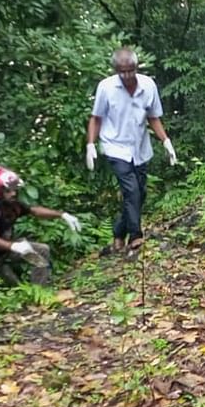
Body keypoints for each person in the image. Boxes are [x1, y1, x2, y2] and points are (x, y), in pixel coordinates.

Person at [84, 48, 177, 255]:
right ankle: (135, 235)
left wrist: (166, 141)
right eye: (122, 72)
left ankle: (118, 234)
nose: (127, 75)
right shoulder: (106, 88)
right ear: (116, 70)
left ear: (136, 67)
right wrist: (90, 144)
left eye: (130, 71)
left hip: (140, 147)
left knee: (140, 193)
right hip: (114, 146)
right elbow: (96, 117)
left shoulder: (148, 85)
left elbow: (153, 117)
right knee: (131, 191)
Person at [0, 166, 82, 291]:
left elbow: (34, 211)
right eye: (8, 191)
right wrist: (14, 246)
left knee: (41, 250)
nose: (13, 193)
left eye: (14, 190)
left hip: (7, 248)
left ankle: (40, 291)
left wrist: (62, 215)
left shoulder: (13, 205)